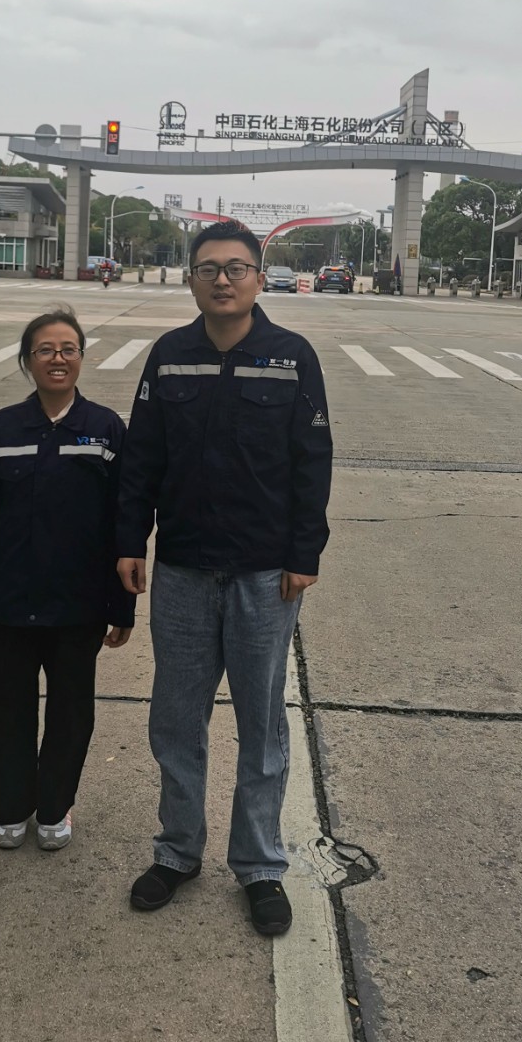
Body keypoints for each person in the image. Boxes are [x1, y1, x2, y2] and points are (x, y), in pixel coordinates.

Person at [116, 221, 332, 936]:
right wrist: (130, 541)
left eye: (237, 268)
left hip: (265, 575)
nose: (222, 280)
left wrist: (305, 553)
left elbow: (312, 461)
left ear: (259, 278)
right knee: (177, 720)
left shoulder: (292, 357)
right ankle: (177, 852)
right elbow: (141, 459)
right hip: (182, 569)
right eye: (208, 268)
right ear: (191, 279)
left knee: (261, 724)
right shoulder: (169, 356)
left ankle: (260, 866)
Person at [0, 307, 134, 852]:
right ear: (27, 361)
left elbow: (124, 526)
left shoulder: (106, 429)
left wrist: (121, 607)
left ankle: (55, 807)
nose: (58, 358)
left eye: (68, 349)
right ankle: (10, 809)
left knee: (71, 713)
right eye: (45, 350)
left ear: (81, 358)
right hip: (9, 606)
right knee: (10, 710)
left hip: (79, 608)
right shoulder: (1, 428)